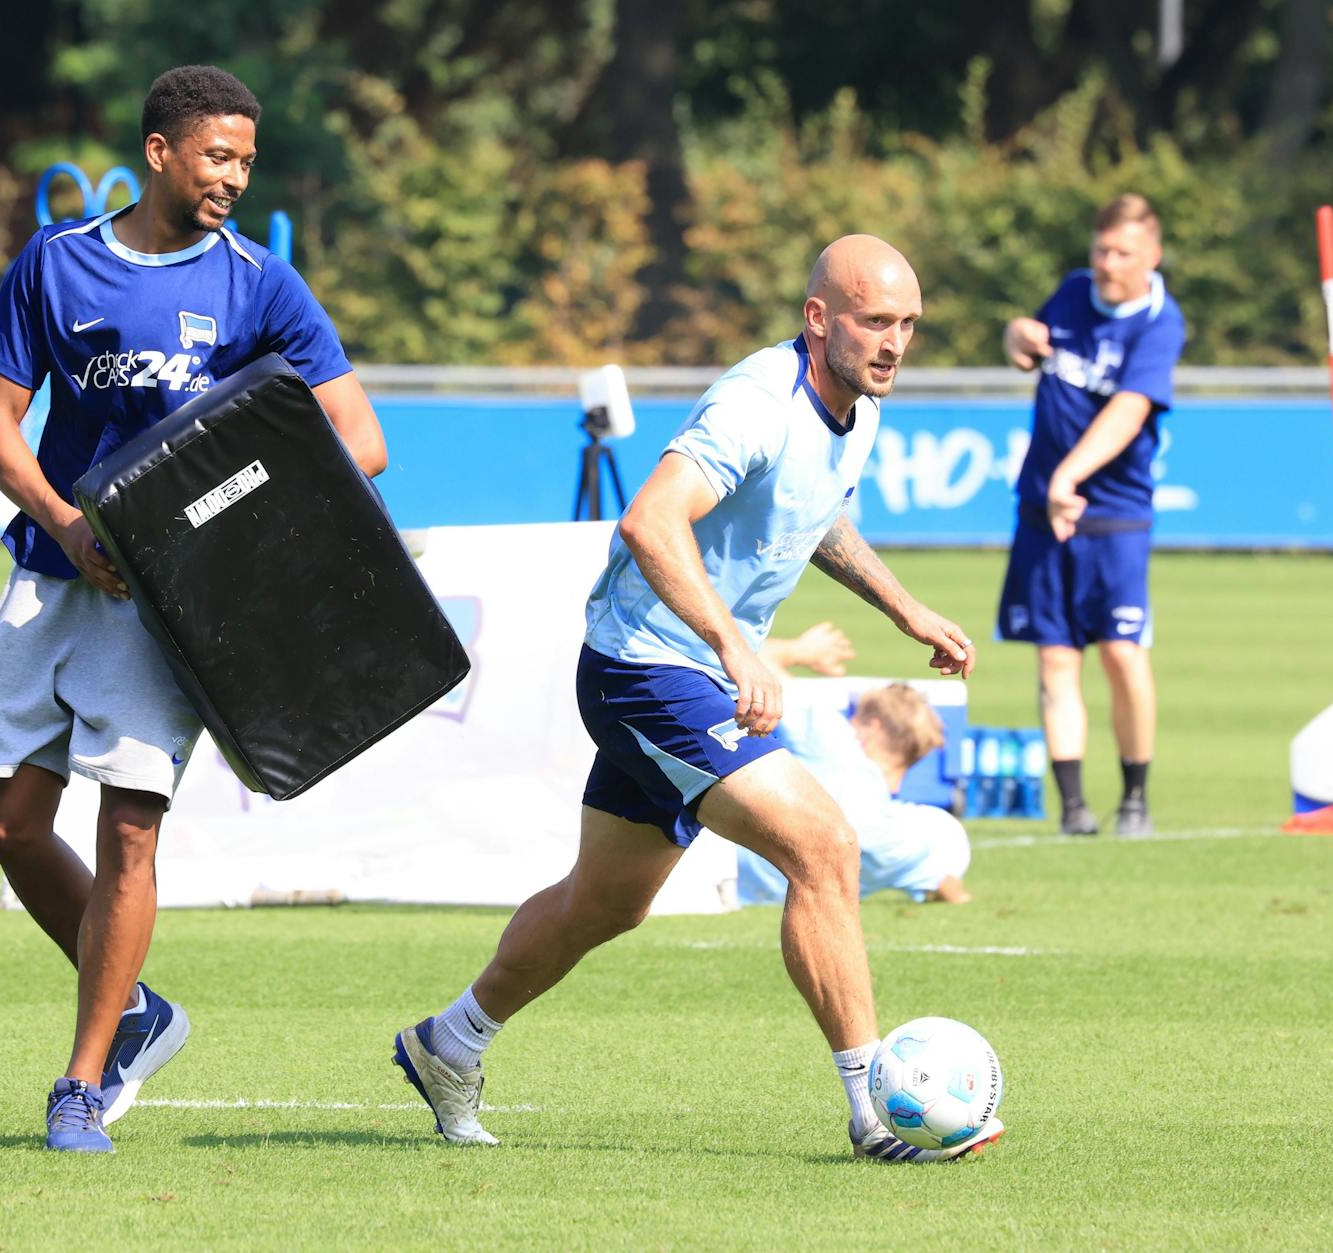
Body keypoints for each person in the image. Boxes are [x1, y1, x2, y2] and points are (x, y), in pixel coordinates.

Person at [392, 235, 1003, 1162]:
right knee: (825, 844)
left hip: (686, 672)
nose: (895, 342)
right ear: (819, 318)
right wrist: (732, 643)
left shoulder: (858, 408)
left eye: (909, 325)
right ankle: (874, 1106)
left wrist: (906, 606)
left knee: (605, 901)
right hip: (651, 669)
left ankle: (450, 1041)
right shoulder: (759, 399)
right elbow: (650, 520)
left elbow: (814, 512)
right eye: (877, 321)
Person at [0, 65, 387, 1153]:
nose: (232, 176)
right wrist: (70, 523)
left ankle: (81, 1082)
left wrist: (217, 514)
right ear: (160, 152)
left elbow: (358, 442)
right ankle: (138, 1007)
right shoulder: (56, 261)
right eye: (217, 156)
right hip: (52, 573)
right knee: (6, 823)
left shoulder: (260, 285)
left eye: (245, 160)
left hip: (169, 605)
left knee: (128, 830)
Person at [996, 193, 1186, 838]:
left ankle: (1135, 796)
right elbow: (1028, 349)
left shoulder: (1160, 320)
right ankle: (1074, 808)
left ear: (1152, 256)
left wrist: (1069, 477)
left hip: (1116, 512)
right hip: (1044, 508)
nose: (1107, 263)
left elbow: (1128, 411)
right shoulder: (1074, 291)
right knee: (1055, 657)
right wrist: (1016, 334)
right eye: (1101, 248)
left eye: (1122, 253)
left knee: (1123, 655)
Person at [755, 683, 971, 905]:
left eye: (856, 720)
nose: (850, 725)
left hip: (733, 875)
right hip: (797, 900)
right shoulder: (927, 831)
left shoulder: (838, 744)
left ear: (873, 727)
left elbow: (764, 680)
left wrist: (799, 651)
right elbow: (948, 887)